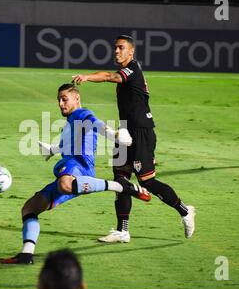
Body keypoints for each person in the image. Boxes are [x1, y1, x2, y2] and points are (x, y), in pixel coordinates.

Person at [0, 83, 151, 264]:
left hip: (79, 166)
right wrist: (52, 149)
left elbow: (96, 123)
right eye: (59, 100)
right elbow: (67, 143)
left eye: (65, 99)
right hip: (71, 169)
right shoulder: (71, 122)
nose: (61, 104)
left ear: (76, 99)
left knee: (65, 185)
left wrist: (114, 135)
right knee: (30, 208)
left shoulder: (81, 113)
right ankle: (26, 254)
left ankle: (120, 186)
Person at [72, 35, 195, 243]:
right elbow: (112, 76)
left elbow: (111, 77)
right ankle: (122, 231)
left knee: (148, 181)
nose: (116, 51)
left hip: (141, 132)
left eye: (121, 48)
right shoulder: (126, 70)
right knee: (120, 179)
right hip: (125, 132)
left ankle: (185, 211)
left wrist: (87, 77)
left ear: (131, 52)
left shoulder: (132, 69)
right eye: (115, 48)